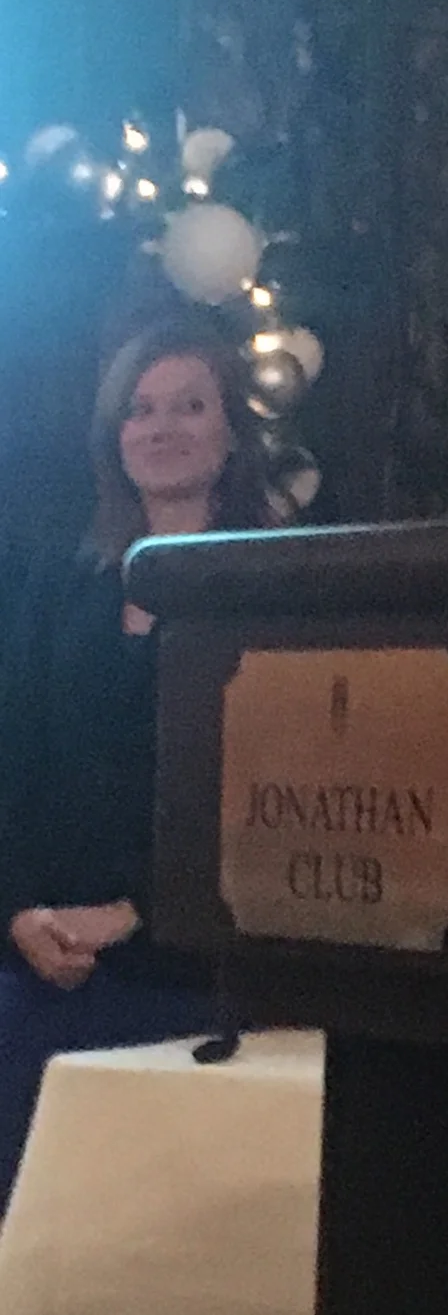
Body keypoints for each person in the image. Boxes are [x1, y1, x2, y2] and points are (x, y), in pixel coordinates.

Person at [0, 316, 274, 1220]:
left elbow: (268, 794)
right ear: (115, 437)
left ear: (232, 431)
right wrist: (21, 913)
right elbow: (17, 763)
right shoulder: (60, 586)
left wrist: (139, 911)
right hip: (49, 961)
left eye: (190, 406)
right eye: (140, 409)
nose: (161, 428)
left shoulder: (275, 590)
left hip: (195, 967)